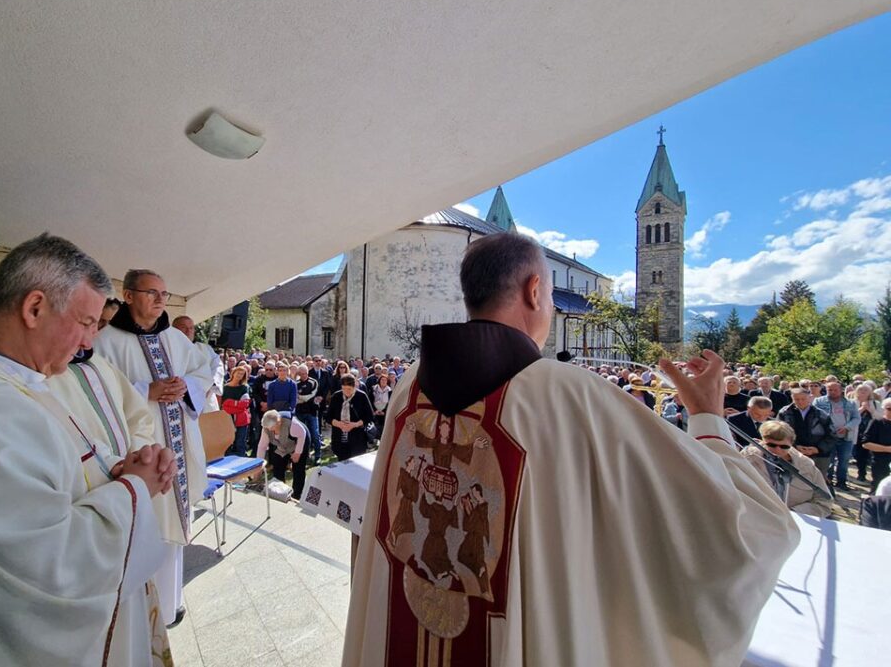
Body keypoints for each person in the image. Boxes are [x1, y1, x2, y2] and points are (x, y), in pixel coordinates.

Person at [343, 233, 798, 667]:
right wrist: (707, 419)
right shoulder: (571, 396)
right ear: (536, 289)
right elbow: (735, 528)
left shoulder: (409, 386)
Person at [0, 234, 174, 666]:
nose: (87, 343)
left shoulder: (11, 383)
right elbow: (52, 569)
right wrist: (135, 488)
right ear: (35, 308)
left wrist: (119, 469)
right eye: (85, 323)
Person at [46, 320, 173, 665]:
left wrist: (140, 458)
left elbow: (136, 419)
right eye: (87, 322)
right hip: (95, 529)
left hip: (123, 500)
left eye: (99, 323)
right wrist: (131, 477)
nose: (93, 337)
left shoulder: (100, 365)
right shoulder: (38, 375)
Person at [95, 268, 215, 627]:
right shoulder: (105, 342)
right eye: (152, 293)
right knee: (144, 525)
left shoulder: (175, 339)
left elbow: (203, 370)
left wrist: (187, 386)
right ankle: (142, 613)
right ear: (128, 295)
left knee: (174, 526)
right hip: (139, 450)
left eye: (164, 293)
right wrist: (145, 391)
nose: (161, 299)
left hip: (176, 446)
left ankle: (171, 603)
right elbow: (98, 389)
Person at [740, 420, 833, 518]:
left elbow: (824, 503)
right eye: (771, 445)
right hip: (754, 518)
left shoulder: (807, 466)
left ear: (792, 444)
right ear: (763, 441)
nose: (777, 450)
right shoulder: (748, 459)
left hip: (794, 522)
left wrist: (793, 513)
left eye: (784, 446)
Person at [777, 385, 837, 478]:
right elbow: (779, 433)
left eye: (803, 399)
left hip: (818, 455)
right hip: (792, 453)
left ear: (809, 398)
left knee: (818, 481)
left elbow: (832, 434)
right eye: (797, 399)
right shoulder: (784, 413)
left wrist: (818, 449)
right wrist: (795, 447)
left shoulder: (821, 414)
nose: (800, 401)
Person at [813, 380, 860, 489]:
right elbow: (815, 417)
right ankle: (827, 482)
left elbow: (856, 418)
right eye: (830, 390)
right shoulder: (819, 402)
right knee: (828, 461)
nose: (833, 392)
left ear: (841, 390)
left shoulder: (850, 403)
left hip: (845, 437)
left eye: (835, 390)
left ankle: (841, 482)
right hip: (828, 437)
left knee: (843, 461)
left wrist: (847, 427)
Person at [173, 314, 225, 411]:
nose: (188, 331)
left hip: (207, 399)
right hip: (179, 399)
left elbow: (217, 366)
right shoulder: (169, 349)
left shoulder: (205, 349)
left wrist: (209, 386)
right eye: (184, 328)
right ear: (174, 330)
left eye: (191, 328)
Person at [258, 409, 310, 500]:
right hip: (282, 446)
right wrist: (258, 466)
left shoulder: (292, 424)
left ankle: (296, 495)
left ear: (278, 422)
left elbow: (302, 434)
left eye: (271, 428)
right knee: (278, 466)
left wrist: (297, 453)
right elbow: (262, 447)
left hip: (299, 441)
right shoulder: (266, 429)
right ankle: (279, 492)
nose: (269, 430)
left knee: (298, 469)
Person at [326, 373, 374, 461]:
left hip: (357, 437)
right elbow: (328, 417)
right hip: (339, 436)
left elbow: (369, 416)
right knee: (342, 462)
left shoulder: (361, 396)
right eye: (343, 389)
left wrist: (354, 424)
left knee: (357, 463)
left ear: (354, 386)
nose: (346, 392)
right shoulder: (336, 396)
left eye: (349, 389)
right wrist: (338, 424)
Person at [861, 398, 891, 494]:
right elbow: (866, 443)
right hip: (881, 461)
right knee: (879, 488)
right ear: (884, 409)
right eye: (889, 409)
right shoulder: (877, 423)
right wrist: (886, 449)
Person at [221, 365, 252, 455]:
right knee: (227, 442)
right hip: (227, 419)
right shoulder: (225, 388)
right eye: (238, 373)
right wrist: (235, 405)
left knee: (240, 442)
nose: (239, 375)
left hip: (241, 419)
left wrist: (230, 403)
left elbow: (244, 404)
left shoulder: (244, 388)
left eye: (242, 374)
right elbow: (223, 405)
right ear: (233, 373)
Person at [853, 383, 881, 482]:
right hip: (857, 432)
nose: (863, 392)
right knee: (858, 454)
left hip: (872, 432)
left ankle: (870, 475)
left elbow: (879, 417)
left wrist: (870, 409)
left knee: (869, 455)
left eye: (865, 390)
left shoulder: (875, 403)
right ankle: (861, 472)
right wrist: (862, 409)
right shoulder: (853, 402)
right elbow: (851, 416)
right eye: (861, 390)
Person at [295, 364, 322, 463]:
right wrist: (302, 399)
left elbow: (311, 396)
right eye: (301, 374)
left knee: (315, 434)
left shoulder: (313, 382)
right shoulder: (296, 383)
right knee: (302, 435)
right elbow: (295, 399)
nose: (303, 375)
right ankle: (305, 455)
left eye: (305, 373)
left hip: (312, 412)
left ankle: (318, 455)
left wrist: (301, 398)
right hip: (300, 412)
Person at [370, 371, 392, 441]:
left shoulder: (390, 391)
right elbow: (370, 400)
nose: (383, 381)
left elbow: (390, 403)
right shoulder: (373, 389)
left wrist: (384, 412)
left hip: (384, 413)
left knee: (383, 427)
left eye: (385, 380)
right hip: (375, 412)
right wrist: (374, 410)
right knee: (375, 427)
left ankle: (382, 440)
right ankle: (374, 440)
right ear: (379, 381)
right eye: (382, 380)